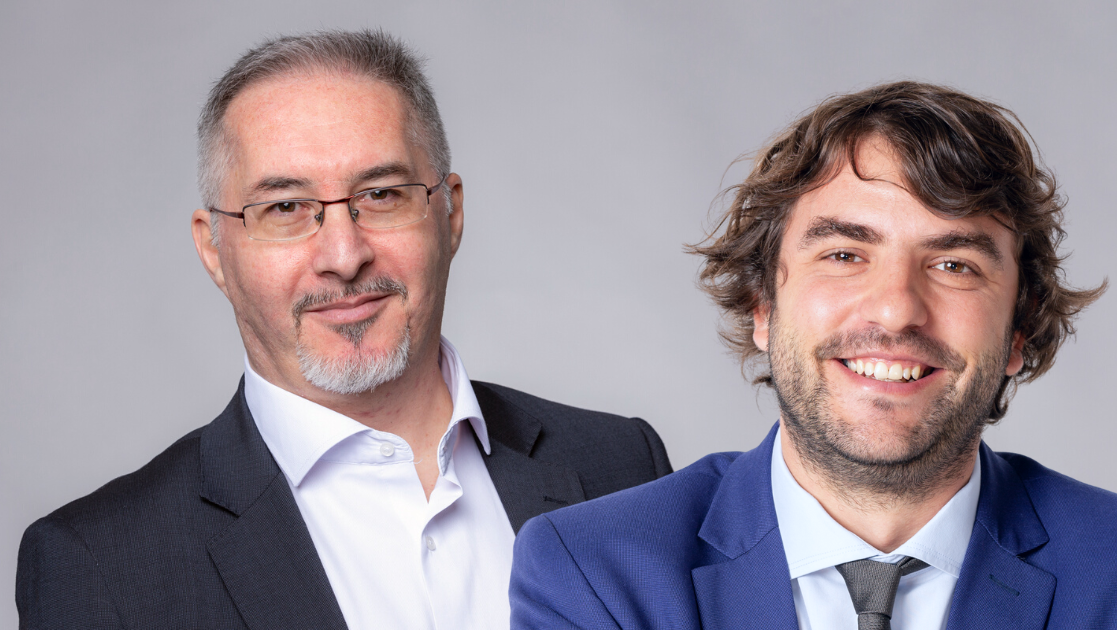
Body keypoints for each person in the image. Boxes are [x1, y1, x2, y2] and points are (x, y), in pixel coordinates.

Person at [16, 29, 671, 630]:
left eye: (381, 195)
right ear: (214, 250)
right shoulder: (99, 568)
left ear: (450, 213)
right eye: (285, 207)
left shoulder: (621, 467)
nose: (343, 255)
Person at [509, 81, 1117, 629]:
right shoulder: (595, 573)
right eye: (844, 255)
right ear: (762, 305)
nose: (896, 309)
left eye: (954, 265)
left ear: (1019, 331)